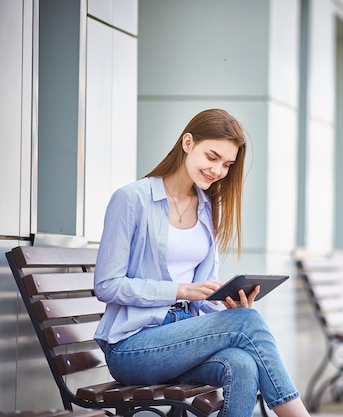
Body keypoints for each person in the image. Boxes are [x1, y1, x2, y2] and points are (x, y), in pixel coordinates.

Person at [93, 108, 311, 417]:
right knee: (249, 324)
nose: (218, 170)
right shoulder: (132, 199)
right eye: (212, 157)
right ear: (187, 143)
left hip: (184, 336)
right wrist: (179, 290)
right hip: (133, 346)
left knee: (243, 364)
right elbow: (106, 285)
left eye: (226, 164)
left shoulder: (208, 207)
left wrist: (227, 306)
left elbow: (204, 295)